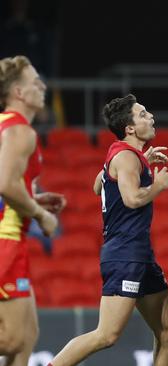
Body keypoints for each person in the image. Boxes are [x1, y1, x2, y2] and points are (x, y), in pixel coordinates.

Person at [49, 94, 168, 366]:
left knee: (166, 331)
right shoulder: (127, 157)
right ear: (129, 128)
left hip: (140, 255)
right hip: (125, 255)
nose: (150, 117)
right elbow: (132, 199)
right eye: (142, 114)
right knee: (106, 335)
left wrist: (140, 160)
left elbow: (98, 186)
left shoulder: (121, 153)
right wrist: (158, 185)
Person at [0, 55, 62, 366]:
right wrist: (41, 214)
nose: (43, 86)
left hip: (12, 239)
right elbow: (7, 185)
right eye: (35, 82)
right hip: (5, 240)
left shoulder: (5, 127)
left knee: (28, 336)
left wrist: (37, 199)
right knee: (13, 339)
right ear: (19, 93)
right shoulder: (21, 131)